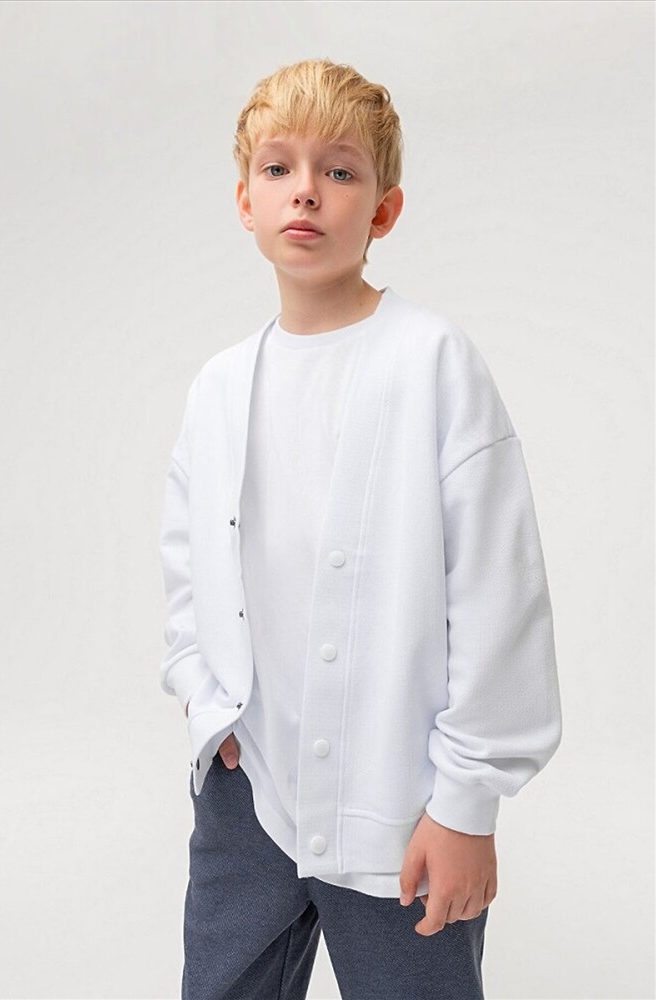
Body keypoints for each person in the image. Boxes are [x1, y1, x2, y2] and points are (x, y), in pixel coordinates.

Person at [159, 58, 563, 1000]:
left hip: (402, 805)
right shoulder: (219, 387)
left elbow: (498, 596)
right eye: (278, 168)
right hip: (248, 790)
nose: (306, 190)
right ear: (246, 201)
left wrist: (467, 804)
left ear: (384, 210)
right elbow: (188, 563)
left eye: (339, 171)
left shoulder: (432, 362)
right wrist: (206, 704)